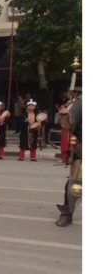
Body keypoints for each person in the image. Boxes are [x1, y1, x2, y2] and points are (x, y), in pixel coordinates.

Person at [56, 80, 82, 227]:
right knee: (76, 185)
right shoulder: (82, 102)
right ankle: (67, 212)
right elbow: (69, 124)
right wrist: (66, 116)